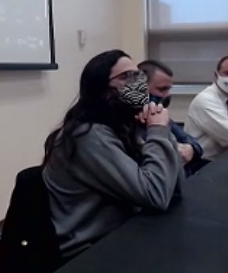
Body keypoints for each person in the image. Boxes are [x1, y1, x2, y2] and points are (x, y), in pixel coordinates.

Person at [42, 50, 183, 258]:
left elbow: (173, 189)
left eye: (139, 76)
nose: (138, 83)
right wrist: (158, 132)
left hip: (125, 233)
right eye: (126, 77)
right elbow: (155, 195)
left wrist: (163, 130)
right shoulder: (89, 135)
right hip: (90, 251)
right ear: (102, 88)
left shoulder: (122, 125)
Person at [138, 59, 204, 175]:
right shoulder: (131, 124)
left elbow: (194, 143)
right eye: (162, 89)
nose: (168, 95)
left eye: (169, 89)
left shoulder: (160, 115)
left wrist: (190, 149)